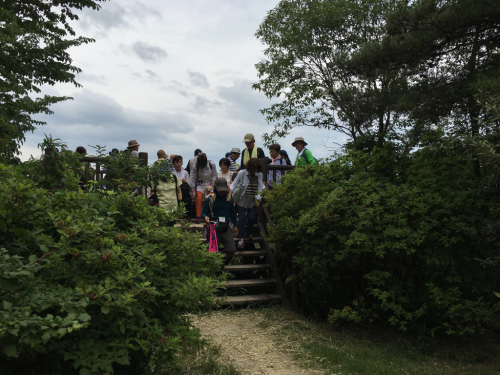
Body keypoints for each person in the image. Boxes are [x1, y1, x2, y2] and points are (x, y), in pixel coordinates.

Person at [230, 158, 265, 249]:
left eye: (255, 169)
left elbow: (261, 185)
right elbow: (234, 183)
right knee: (241, 219)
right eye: (252, 169)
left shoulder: (259, 175)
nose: (253, 171)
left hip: (252, 201)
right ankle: (241, 239)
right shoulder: (242, 173)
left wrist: (264, 192)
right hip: (242, 200)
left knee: (252, 217)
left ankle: (247, 233)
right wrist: (230, 195)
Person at [202, 178, 238, 264]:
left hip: (226, 226)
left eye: (223, 190)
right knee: (212, 251)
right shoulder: (210, 198)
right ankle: (214, 271)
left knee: (232, 249)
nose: (221, 192)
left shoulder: (229, 198)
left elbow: (233, 212)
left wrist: (236, 225)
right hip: (214, 226)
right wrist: (205, 217)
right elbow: (203, 212)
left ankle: (219, 263)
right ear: (216, 189)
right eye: (219, 190)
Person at [190, 153, 217, 221]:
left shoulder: (212, 164)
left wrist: (211, 185)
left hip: (209, 184)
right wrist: (193, 190)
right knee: (198, 197)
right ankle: (198, 216)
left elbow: (214, 175)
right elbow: (193, 177)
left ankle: (207, 215)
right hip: (200, 184)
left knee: (209, 198)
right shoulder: (195, 166)